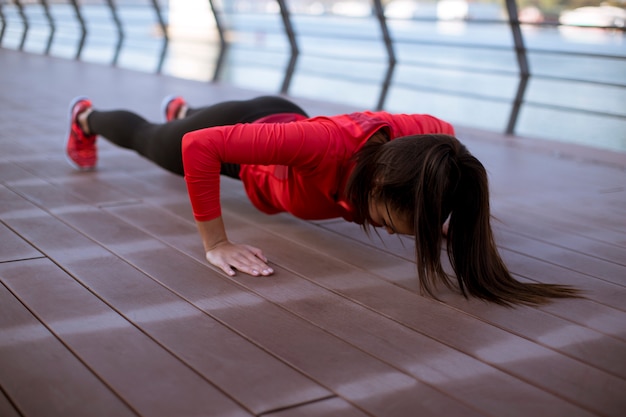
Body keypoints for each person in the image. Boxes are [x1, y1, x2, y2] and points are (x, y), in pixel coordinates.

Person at [65, 95, 580, 306]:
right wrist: (216, 242)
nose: (398, 233)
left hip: (283, 133)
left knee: (213, 129)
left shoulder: (431, 142)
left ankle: (187, 106)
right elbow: (200, 148)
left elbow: (445, 163)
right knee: (160, 141)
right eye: (396, 224)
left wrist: (435, 213)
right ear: (376, 188)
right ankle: (86, 117)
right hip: (252, 147)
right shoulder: (322, 147)